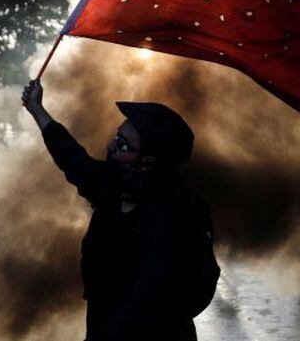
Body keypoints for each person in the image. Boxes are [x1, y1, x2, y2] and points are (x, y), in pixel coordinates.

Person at [21, 78, 214, 341]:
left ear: (147, 162)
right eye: (116, 136)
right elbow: (73, 159)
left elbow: (146, 298)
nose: (110, 146)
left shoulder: (172, 216)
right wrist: (37, 110)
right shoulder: (116, 184)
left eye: (123, 144)